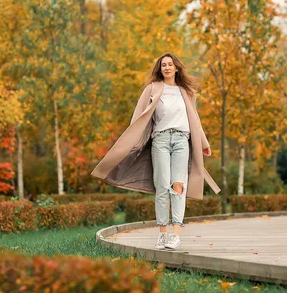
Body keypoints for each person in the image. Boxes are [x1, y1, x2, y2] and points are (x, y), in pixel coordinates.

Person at [91, 52, 221, 250]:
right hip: (159, 140)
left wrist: (203, 142)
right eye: (163, 65)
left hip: (181, 141)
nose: (167, 67)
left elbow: (194, 119)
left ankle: (175, 234)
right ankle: (162, 233)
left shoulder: (187, 92)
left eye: (170, 64)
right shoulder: (152, 89)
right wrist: (132, 140)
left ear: (177, 68)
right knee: (162, 186)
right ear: (160, 69)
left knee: (178, 187)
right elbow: (138, 117)